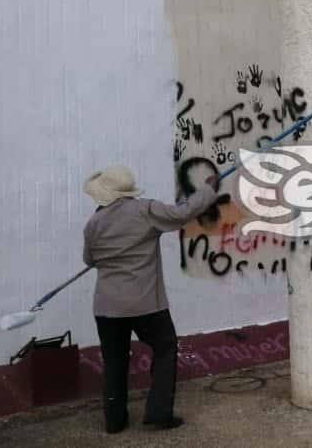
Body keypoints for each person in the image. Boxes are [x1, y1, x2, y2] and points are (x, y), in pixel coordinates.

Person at [82, 165, 220, 434]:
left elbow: (89, 260)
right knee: (166, 347)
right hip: (145, 303)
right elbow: (183, 213)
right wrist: (207, 190)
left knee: (114, 360)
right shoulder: (145, 210)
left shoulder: (94, 223)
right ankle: (158, 413)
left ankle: (114, 421)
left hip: (107, 307)